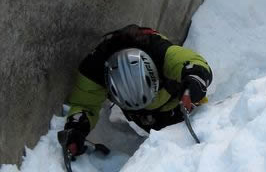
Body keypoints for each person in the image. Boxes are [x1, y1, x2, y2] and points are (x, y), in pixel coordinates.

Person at [58, 24, 212, 156]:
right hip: (141, 117)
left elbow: (193, 63)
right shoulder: (94, 69)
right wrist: (77, 129)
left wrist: (193, 86)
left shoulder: (158, 50)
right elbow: (84, 104)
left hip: (180, 103)